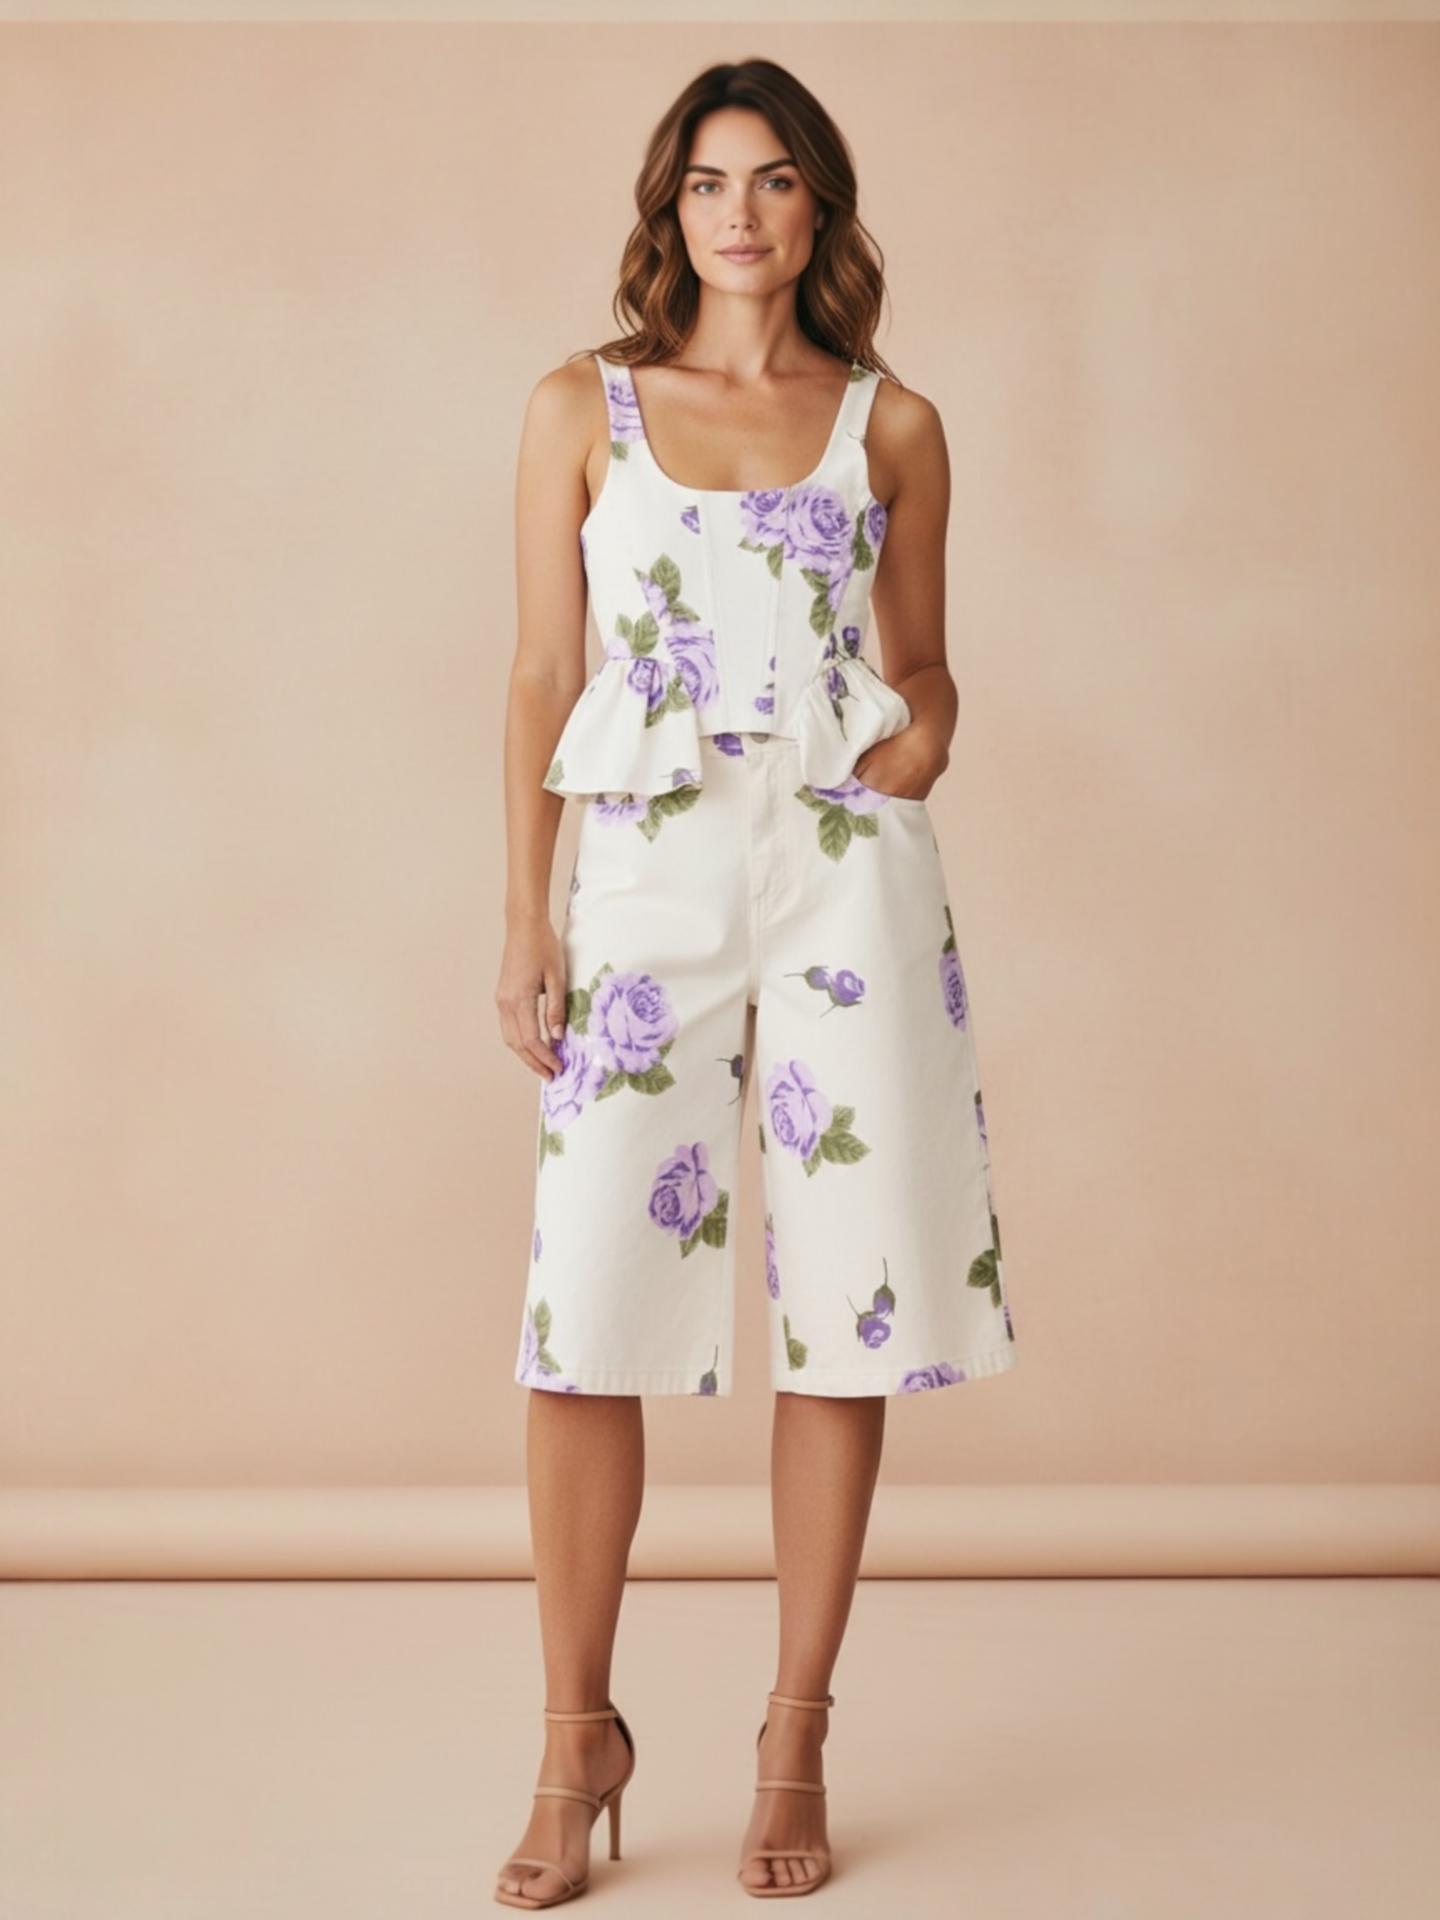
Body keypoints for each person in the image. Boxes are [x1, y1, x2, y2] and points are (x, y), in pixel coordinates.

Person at [493, 56, 1016, 1909]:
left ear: (818, 210)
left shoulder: (895, 424)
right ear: (672, 208)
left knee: (849, 1299)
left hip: (841, 873)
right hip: (645, 873)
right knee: (587, 1310)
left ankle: (795, 1734)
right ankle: (576, 1742)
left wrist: (923, 737)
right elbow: (542, 676)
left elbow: (926, 663)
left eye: (775, 180)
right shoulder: (584, 407)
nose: (740, 212)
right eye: (710, 182)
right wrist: (529, 916)